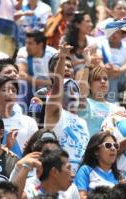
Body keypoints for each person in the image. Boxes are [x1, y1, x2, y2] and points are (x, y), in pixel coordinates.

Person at [44, 44, 90, 173]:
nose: (72, 93)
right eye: (67, 89)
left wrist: (87, 65)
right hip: (58, 174)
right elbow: (58, 86)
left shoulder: (83, 122)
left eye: (75, 90)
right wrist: (62, 56)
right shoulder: (54, 111)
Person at [0, 76, 38, 158]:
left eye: (14, 91)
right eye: (4, 90)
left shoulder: (29, 122)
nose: (10, 93)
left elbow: (36, 150)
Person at [78, 65, 124, 136]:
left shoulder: (117, 109)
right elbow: (81, 90)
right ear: (89, 85)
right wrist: (87, 65)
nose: (102, 81)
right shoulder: (84, 103)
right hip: (89, 146)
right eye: (97, 79)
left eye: (105, 79)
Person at [74, 132, 121, 198]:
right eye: (108, 145)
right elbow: (81, 196)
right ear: (96, 151)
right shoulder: (85, 171)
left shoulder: (119, 176)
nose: (113, 149)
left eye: (116, 146)